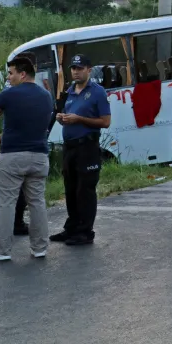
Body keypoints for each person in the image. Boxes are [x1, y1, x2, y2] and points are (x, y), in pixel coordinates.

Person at [0, 56, 55, 261]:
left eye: (11, 73)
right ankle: (39, 247)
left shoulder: (8, 95)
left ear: (22, 74)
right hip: (39, 156)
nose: (9, 78)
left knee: (6, 203)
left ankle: (2, 250)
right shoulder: (46, 95)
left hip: (12, 157)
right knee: (37, 202)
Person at [50, 54, 111, 246]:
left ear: (89, 70)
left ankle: (85, 232)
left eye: (80, 68)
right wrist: (63, 118)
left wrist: (79, 119)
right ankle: (72, 227)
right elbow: (69, 116)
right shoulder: (70, 91)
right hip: (70, 147)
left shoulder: (97, 92)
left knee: (85, 189)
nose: (76, 72)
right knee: (70, 189)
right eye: (73, 68)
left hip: (87, 146)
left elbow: (105, 122)